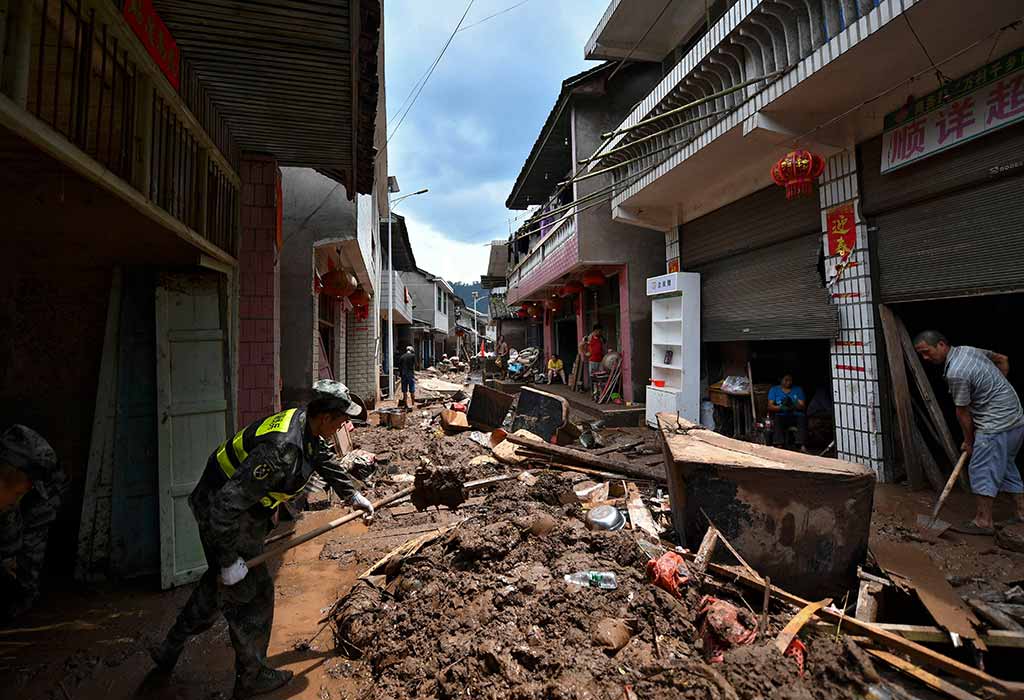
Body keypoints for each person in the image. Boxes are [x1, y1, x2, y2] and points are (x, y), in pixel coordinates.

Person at [149, 380, 372, 698]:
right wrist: (228, 560)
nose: (344, 424)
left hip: (242, 510)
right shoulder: (280, 450)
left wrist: (352, 495)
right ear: (324, 417)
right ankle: (251, 677)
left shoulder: (305, 422)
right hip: (223, 510)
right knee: (253, 595)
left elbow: (320, 456)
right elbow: (223, 509)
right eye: (341, 419)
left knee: (218, 588)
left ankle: (168, 648)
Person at [914, 330, 1023, 535]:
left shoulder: (957, 371)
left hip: (994, 426)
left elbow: (962, 412)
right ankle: (1022, 513)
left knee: (981, 469)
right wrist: (996, 389)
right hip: (1015, 420)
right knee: (1006, 465)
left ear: (941, 345)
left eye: (927, 352)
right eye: (921, 354)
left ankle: (983, 521)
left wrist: (969, 441)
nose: (925, 358)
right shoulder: (968, 351)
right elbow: (1002, 359)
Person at [0, 425, 65, 620]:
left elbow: (24, 549)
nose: (16, 499)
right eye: (17, 493)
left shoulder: (38, 499)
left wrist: (21, 592)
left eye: (20, 494)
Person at [768, 374, 808, 451]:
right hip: (782, 415)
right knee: (777, 418)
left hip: (795, 415)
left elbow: (802, 406)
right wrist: (781, 408)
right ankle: (779, 444)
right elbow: (770, 406)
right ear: (780, 380)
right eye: (786, 380)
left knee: (802, 418)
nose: (789, 382)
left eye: (790, 380)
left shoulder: (798, 389)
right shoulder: (774, 389)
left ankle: (801, 444)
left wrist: (794, 404)